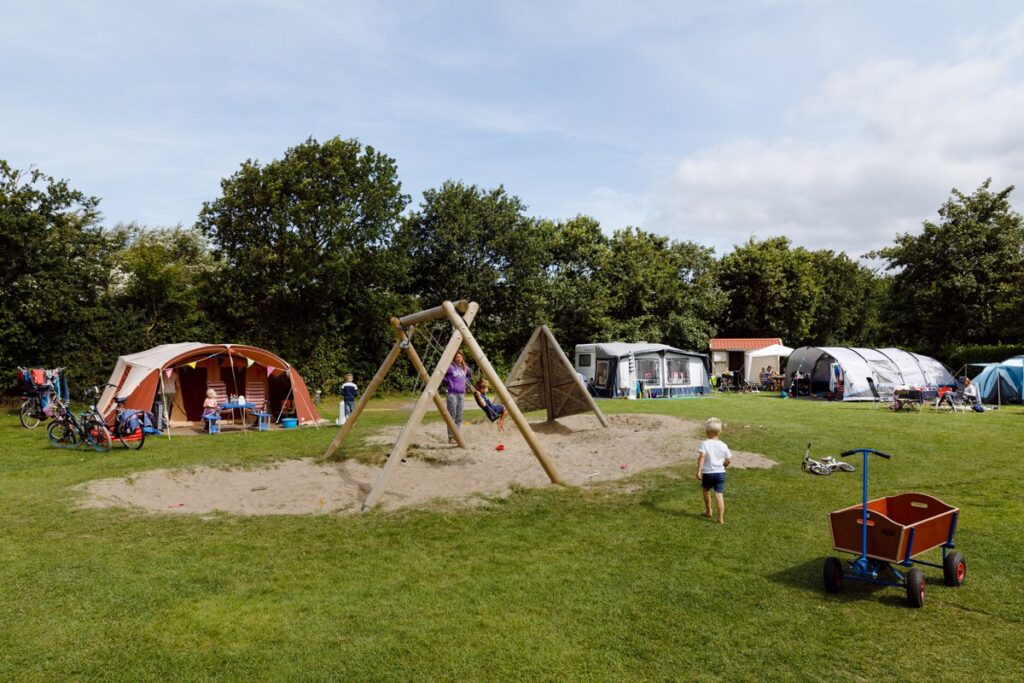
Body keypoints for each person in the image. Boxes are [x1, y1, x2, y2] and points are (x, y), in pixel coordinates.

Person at [697, 417, 732, 524]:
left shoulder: (705, 443)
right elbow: (729, 460)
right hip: (720, 473)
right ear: (719, 432)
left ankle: (708, 511)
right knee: (719, 495)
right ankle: (720, 518)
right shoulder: (723, 445)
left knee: (706, 490)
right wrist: (723, 467)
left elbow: (702, 457)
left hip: (708, 473)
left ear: (707, 432)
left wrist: (698, 471)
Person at [443, 350, 472, 444]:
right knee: (452, 415)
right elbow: (442, 375)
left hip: (461, 394)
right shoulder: (450, 367)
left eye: (460, 357)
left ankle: (457, 436)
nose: (459, 358)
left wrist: (465, 384)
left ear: (462, 358)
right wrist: (448, 382)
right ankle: (451, 437)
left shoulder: (465, 368)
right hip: (452, 394)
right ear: (453, 358)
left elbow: (468, 377)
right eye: (457, 357)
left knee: (459, 415)